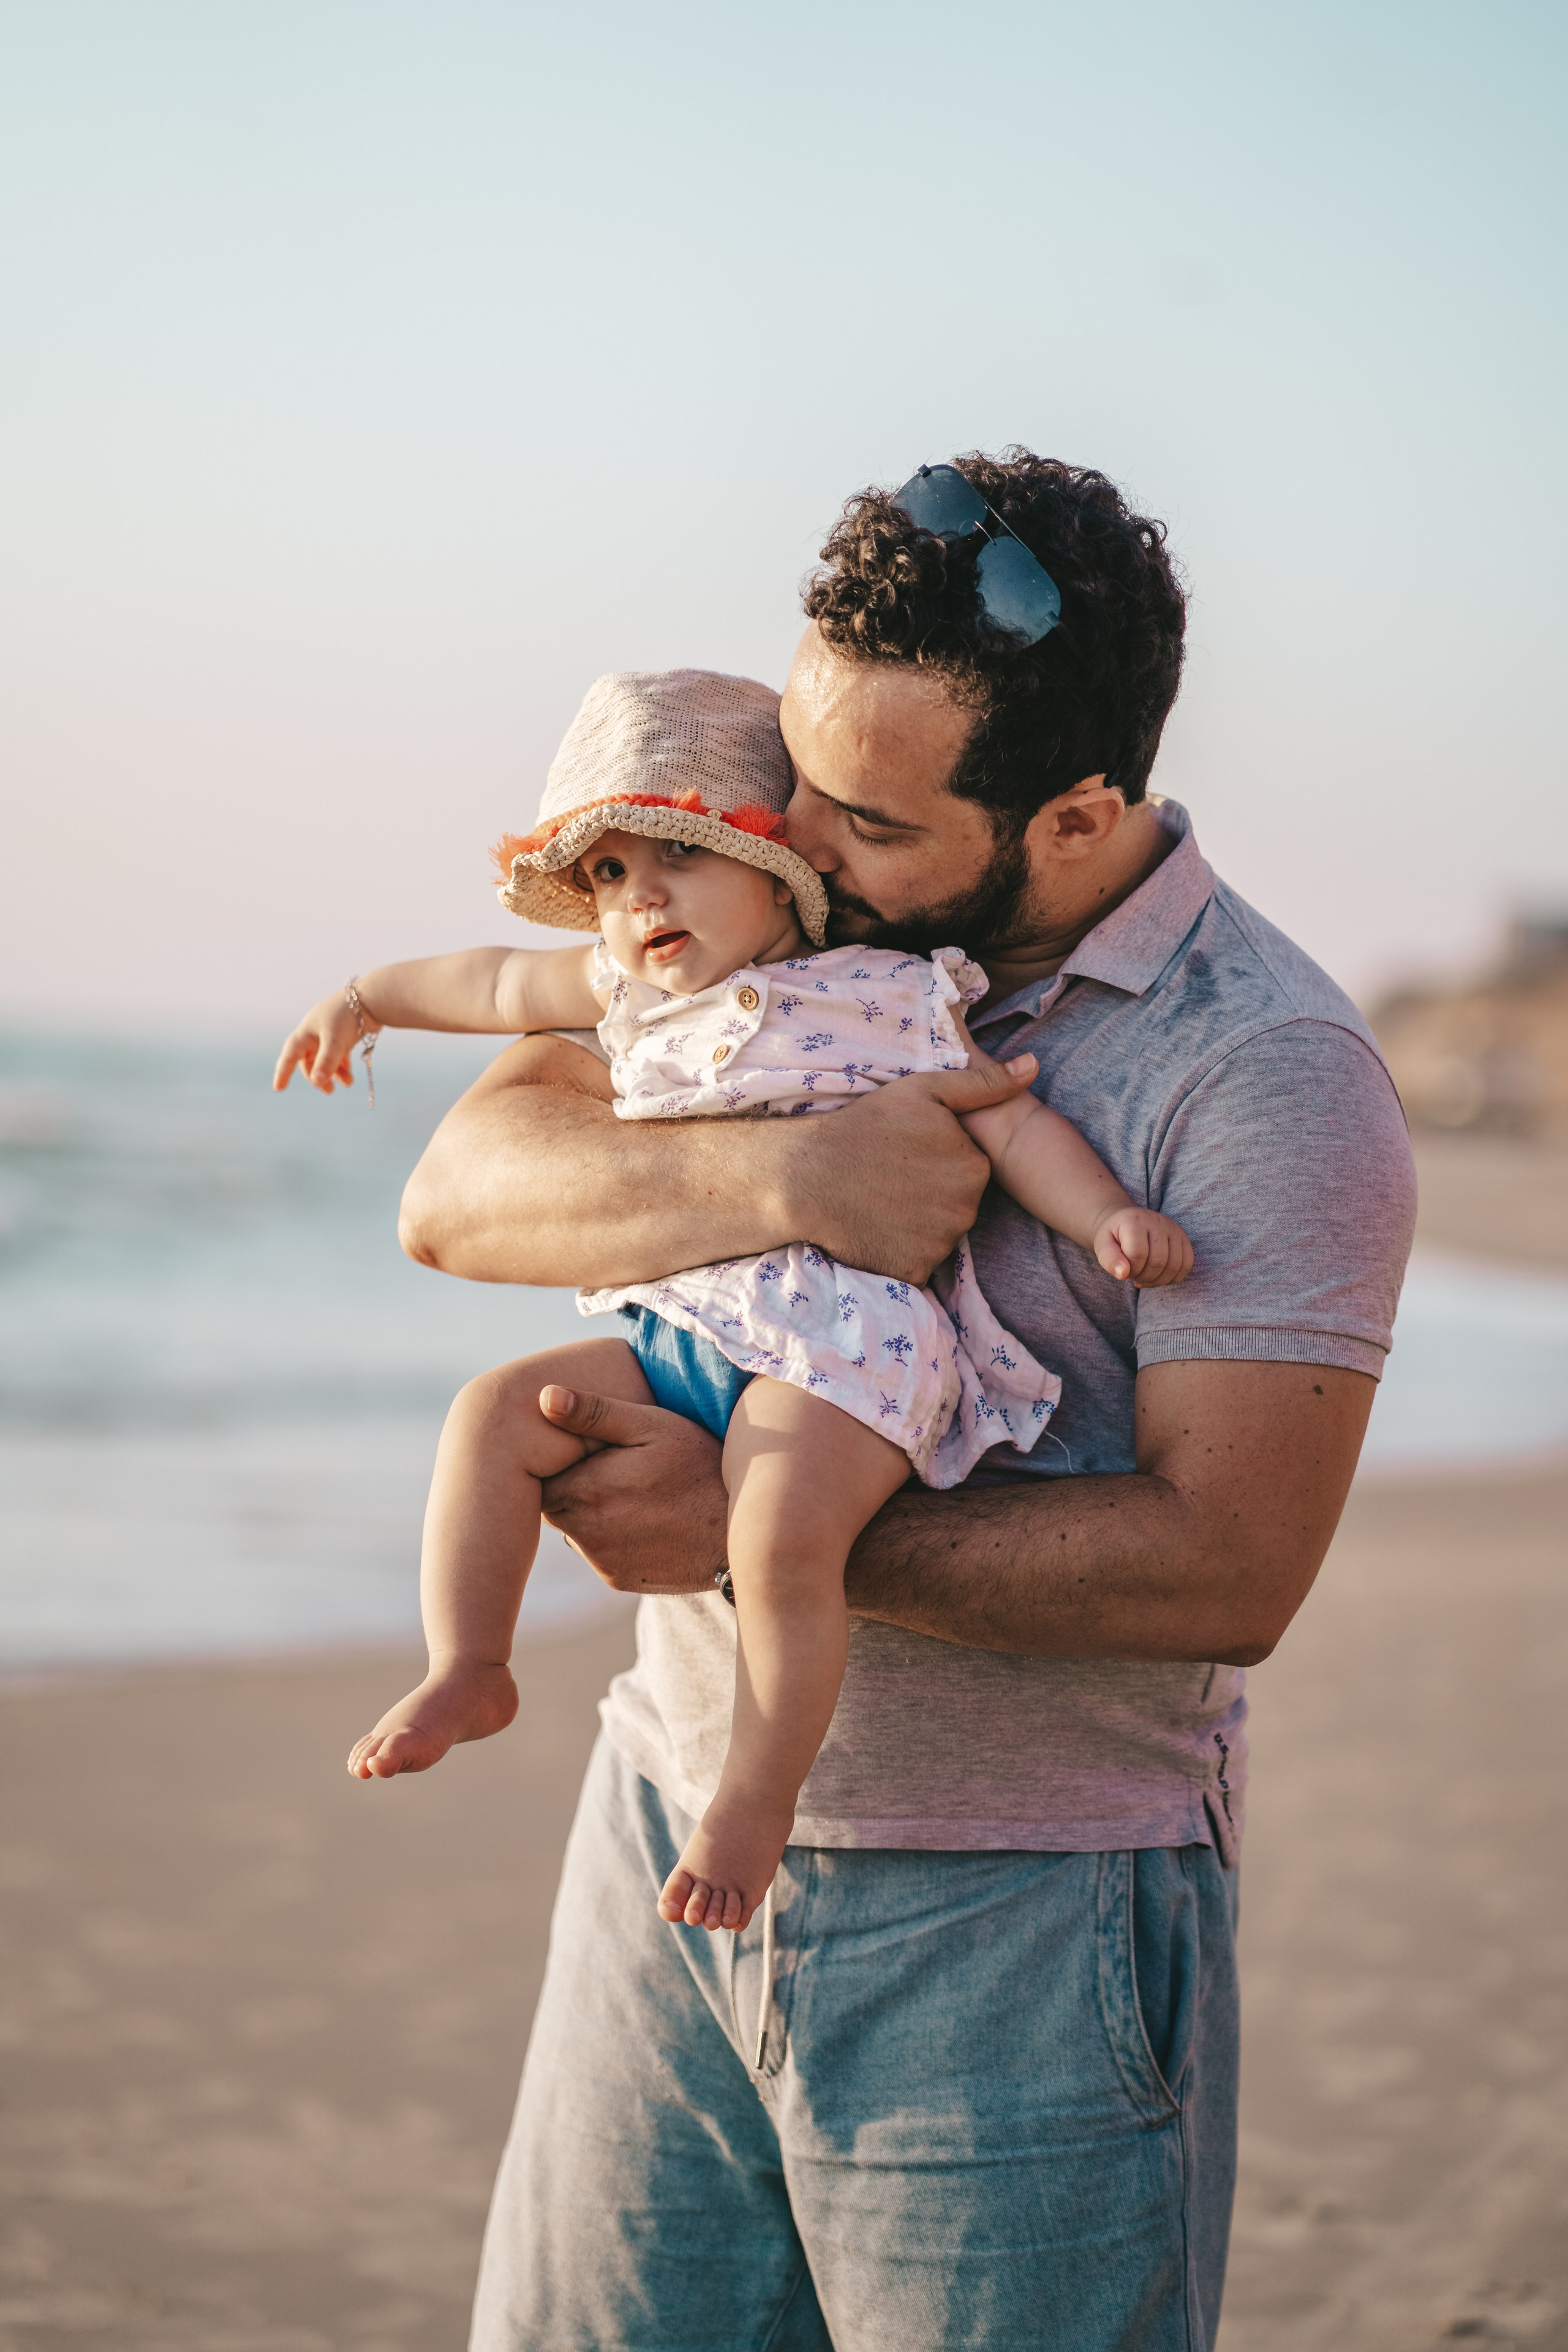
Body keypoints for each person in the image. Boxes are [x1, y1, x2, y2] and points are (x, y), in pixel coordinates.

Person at [399, 451, 1417, 2352]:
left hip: (1019, 1931)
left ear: (1073, 814)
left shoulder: (1269, 1070)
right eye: (791, 771)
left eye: (857, 814)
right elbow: (458, 1194)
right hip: (659, 1836)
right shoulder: (774, 917)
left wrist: (762, 1531)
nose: (784, 834)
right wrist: (789, 1185)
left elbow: (1229, 1569)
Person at [274, 668, 1194, 1935]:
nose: (639, 895)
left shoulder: (880, 991)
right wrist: (366, 996)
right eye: (605, 876)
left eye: (679, 857)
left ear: (779, 873)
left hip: (841, 1352)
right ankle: (469, 1668)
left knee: (774, 1537)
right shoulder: (624, 998)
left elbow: (1009, 1110)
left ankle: (753, 1799)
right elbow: (489, 983)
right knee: (492, 1415)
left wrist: (1103, 1220)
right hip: (685, 1338)